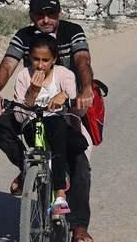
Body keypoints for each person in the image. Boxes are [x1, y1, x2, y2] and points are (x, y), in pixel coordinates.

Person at [0, 0, 97, 242]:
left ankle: (79, 226)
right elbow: (7, 65)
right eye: (40, 15)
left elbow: (83, 61)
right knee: (1, 129)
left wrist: (85, 90)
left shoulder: (72, 32)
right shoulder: (24, 37)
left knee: (79, 162)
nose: (46, 19)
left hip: (68, 105)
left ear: (60, 13)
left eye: (51, 14)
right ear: (32, 16)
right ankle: (27, 169)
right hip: (31, 107)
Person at [7, 35, 89, 215]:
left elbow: (74, 106)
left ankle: (60, 193)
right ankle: (27, 172)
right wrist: (33, 91)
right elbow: (21, 117)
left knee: (63, 131)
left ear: (54, 60)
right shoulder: (23, 76)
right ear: (29, 58)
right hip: (32, 124)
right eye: (36, 59)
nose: (40, 65)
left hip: (58, 125)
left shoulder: (64, 74)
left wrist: (65, 96)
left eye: (45, 60)